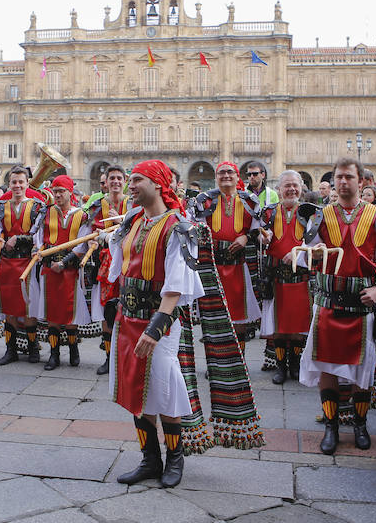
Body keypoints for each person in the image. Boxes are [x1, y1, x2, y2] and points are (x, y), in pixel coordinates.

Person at [106, 160, 205, 487]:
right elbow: (122, 264)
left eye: (137, 180)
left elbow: (176, 285)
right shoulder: (133, 219)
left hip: (157, 322)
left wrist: (155, 328)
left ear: (157, 183)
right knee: (135, 386)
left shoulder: (178, 226)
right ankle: (150, 460)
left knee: (163, 388)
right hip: (127, 317)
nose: (130, 185)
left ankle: (174, 460)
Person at [298, 157, 376, 455]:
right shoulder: (320, 216)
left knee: (363, 367)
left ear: (361, 181)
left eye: (349, 177)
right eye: (338, 177)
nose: (343, 182)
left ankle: (359, 423)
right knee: (326, 365)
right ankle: (331, 426)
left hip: (362, 304)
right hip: (328, 301)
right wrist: (314, 256)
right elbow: (306, 257)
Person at [196, 161, 261, 356]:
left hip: (238, 267)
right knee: (213, 317)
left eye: (230, 172)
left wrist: (245, 237)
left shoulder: (250, 201)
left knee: (238, 316)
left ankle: (237, 359)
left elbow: (258, 227)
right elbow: (197, 228)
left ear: (237, 176)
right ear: (216, 177)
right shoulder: (204, 200)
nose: (226, 175)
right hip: (212, 268)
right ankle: (216, 360)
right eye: (221, 172)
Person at [31, 175, 90, 370]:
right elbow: (38, 238)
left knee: (70, 312)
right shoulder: (45, 213)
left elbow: (82, 244)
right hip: (49, 269)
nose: (57, 195)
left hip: (70, 270)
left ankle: (73, 350)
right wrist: (39, 251)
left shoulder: (81, 215)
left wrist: (64, 263)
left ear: (69, 193)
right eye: (55, 191)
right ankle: (54, 354)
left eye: (61, 191)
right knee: (53, 312)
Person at [258, 171, 310, 384]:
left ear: (301, 187)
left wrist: (301, 250)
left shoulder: (310, 213)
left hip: (300, 277)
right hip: (275, 277)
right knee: (278, 327)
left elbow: (317, 240)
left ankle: (295, 366)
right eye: (287, 185)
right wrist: (263, 237)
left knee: (298, 326)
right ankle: (281, 368)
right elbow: (257, 237)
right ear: (279, 189)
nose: (291, 189)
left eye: (295, 185)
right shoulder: (268, 213)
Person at [0, 166, 44, 366]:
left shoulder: (37, 207)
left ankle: (32, 348)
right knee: (9, 307)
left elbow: (38, 237)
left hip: (27, 263)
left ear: (27, 184)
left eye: (21, 182)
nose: (18, 185)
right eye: (14, 182)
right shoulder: (0, 207)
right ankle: (10, 349)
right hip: (6, 263)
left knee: (28, 306)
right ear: (9, 184)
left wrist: (18, 239)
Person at [86, 165, 131, 375]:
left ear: (125, 181)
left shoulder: (133, 204)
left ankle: (126, 359)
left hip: (129, 264)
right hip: (104, 264)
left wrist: (119, 222)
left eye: (118, 178)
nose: (115, 182)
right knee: (107, 311)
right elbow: (90, 233)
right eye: (111, 178)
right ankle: (108, 359)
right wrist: (94, 240)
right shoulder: (97, 205)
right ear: (106, 181)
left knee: (128, 310)